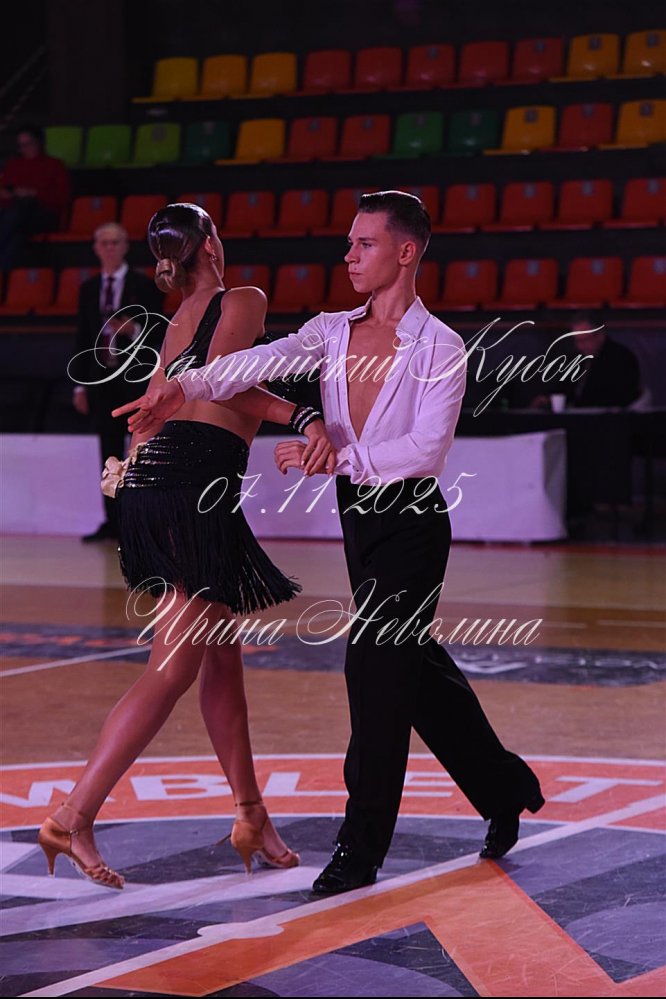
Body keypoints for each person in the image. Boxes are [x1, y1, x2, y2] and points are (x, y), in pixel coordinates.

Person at [115, 191, 545, 896]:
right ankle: (505, 786)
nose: (348, 255)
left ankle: (360, 847)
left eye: (364, 244)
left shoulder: (439, 345)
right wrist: (180, 386)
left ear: (405, 252)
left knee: (373, 672)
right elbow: (251, 362)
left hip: (411, 521)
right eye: (349, 242)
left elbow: (426, 450)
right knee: (416, 674)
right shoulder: (332, 330)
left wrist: (337, 457)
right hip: (360, 519)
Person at [38, 203, 335, 890]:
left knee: (220, 657)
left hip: (157, 481)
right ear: (210, 243)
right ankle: (73, 815)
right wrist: (302, 413)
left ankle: (250, 813)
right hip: (191, 487)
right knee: (171, 669)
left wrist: (134, 475)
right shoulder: (244, 298)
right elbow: (227, 383)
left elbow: (162, 407)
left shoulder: (177, 318)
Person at [69, 222, 165, 542]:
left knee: (140, 452)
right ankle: (112, 521)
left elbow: (160, 330)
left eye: (115, 242)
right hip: (102, 382)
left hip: (134, 380)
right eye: (104, 243)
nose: (109, 248)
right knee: (108, 453)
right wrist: (80, 385)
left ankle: (142, 521)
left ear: (125, 246)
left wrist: (133, 331)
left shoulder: (144, 285)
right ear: (96, 248)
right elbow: (83, 337)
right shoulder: (88, 288)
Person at [0, 125, 71, 270]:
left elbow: (62, 198)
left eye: (28, 144)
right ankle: (5, 275)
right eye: (20, 146)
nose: (24, 149)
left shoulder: (54, 165)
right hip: (15, 213)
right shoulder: (14, 165)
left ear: (39, 143)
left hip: (43, 213)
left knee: (14, 218)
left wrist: (34, 193)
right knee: (16, 237)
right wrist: (9, 194)